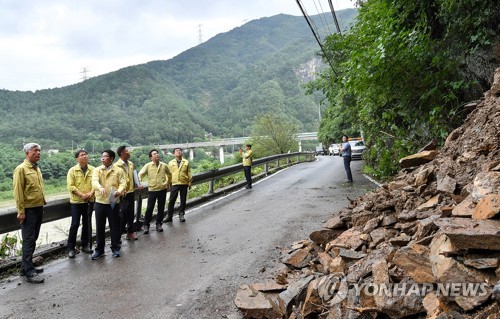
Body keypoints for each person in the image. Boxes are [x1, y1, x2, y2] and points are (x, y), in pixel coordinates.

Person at [13, 143, 46, 283]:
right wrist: (21, 211)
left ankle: (25, 267)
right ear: (27, 153)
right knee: (28, 240)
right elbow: (18, 192)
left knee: (33, 238)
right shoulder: (21, 169)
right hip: (28, 210)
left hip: (38, 207)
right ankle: (29, 273)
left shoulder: (36, 168)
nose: (38, 153)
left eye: (39, 150)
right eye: (35, 151)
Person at [91, 150, 126, 259]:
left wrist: (119, 191)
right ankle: (99, 250)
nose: (103, 158)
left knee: (114, 226)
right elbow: (94, 181)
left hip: (113, 202)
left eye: (105, 156)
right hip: (100, 202)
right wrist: (100, 187)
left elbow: (123, 183)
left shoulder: (119, 170)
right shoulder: (97, 170)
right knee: (99, 226)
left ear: (111, 159)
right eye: (102, 156)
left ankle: (115, 248)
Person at [66, 149, 95, 258]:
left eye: (85, 155)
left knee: (87, 223)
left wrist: (91, 193)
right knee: (75, 224)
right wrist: (82, 195)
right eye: (82, 155)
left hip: (89, 201)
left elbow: (96, 183)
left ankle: (85, 245)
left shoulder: (93, 170)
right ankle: (70, 248)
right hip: (76, 202)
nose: (84, 157)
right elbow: (71, 186)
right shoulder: (72, 171)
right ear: (77, 158)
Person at [139, 149, 172, 233]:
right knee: (149, 208)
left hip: (162, 189)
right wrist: (139, 183)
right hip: (152, 189)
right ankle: (146, 225)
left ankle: (159, 224)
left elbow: (169, 174)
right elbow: (140, 174)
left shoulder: (164, 165)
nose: (157, 155)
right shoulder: (148, 166)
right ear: (151, 157)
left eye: (157, 153)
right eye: (154, 154)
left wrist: (168, 182)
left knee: (161, 208)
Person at [114, 146, 138, 241]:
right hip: (121, 194)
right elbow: (114, 180)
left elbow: (133, 175)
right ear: (122, 153)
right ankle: (118, 235)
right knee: (122, 214)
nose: (129, 152)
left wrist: (137, 184)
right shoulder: (116, 166)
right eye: (127, 151)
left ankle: (130, 232)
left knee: (131, 213)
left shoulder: (131, 164)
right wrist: (119, 190)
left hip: (131, 192)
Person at [166, 148, 192, 223]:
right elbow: (168, 174)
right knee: (171, 200)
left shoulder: (186, 162)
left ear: (182, 153)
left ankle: (181, 214)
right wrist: (168, 182)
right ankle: (169, 216)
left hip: (184, 183)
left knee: (183, 200)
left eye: (179, 150)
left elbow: (189, 172)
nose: (178, 152)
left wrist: (190, 182)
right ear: (174, 154)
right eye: (176, 151)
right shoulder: (170, 163)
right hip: (174, 183)